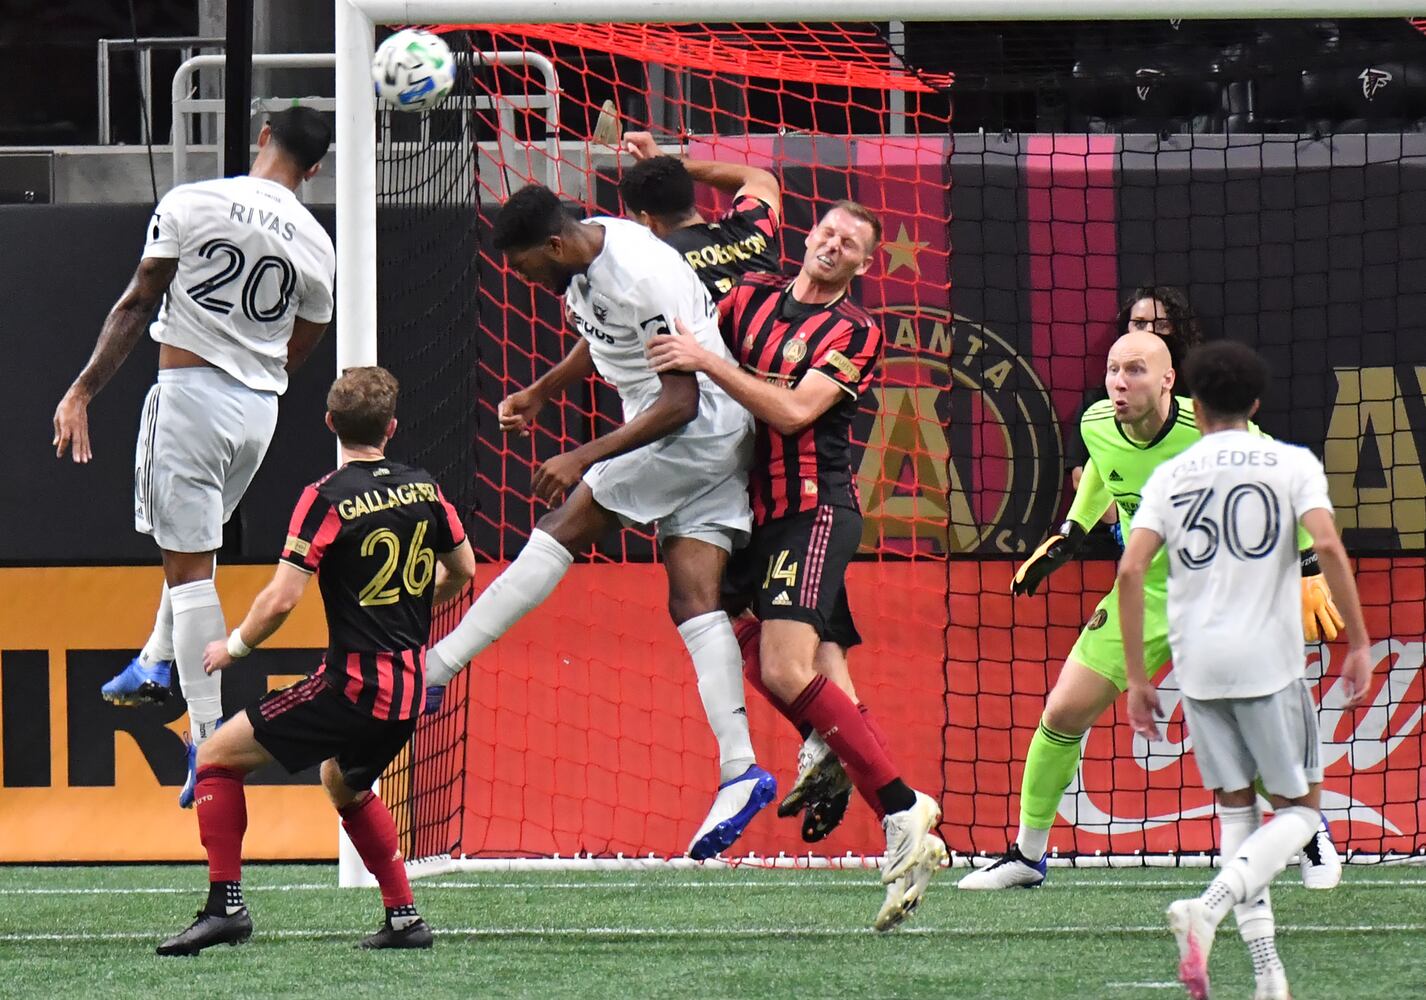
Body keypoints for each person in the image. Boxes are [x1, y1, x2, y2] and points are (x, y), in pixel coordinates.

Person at [421, 184, 776, 859]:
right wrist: (543, 390)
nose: (525, 281)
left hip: (690, 432)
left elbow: (678, 401)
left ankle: (436, 671)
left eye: (527, 268)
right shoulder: (590, 247)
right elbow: (604, 338)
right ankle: (741, 769)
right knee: (693, 600)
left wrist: (584, 455)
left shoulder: (640, 275)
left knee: (565, 521)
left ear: (554, 245)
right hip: (707, 434)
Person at [647, 200, 945, 932]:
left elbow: (790, 413)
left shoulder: (857, 330)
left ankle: (904, 809)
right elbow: (676, 315)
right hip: (750, 513)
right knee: (781, 655)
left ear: (865, 264)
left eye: (851, 243)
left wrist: (708, 362)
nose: (834, 245)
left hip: (812, 510)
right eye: (828, 232)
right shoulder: (746, 299)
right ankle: (838, 752)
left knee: (785, 670)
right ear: (809, 237)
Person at [958, 330, 1346, 891]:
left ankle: (1311, 833)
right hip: (1146, 594)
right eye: (1114, 370)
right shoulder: (1095, 422)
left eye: (1136, 370)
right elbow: (1102, 468)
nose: (1120, 381)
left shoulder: (1211, 426)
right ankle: (1027, 856)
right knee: (1063, 712)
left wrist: (1308, 570)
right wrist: (1073, 529)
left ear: (1169, 380)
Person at [52, 107, 337, 806]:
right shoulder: (318, 243)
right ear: (317, 169)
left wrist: (82, 390)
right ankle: (153, 661)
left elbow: (137, 300)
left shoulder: (194, 200)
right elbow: (303, 344)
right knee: (194, 547)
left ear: (262, 136)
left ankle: (207, 745)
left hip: (190, 392)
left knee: (187, 572)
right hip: (259, 412)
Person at [155, 366, 475, 956]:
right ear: (392, 428)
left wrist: (235, 648)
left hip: (354, 686)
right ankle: (405, 919)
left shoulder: (326, 496)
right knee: (344, 782)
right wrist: (411, 602)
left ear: (329, 423)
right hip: (407, 689)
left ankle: (225, 907)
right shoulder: (426, 489)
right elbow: (463, 571)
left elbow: (281, 598)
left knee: (216, 758)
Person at [1119, 341, 1372, 1000]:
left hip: (1198, 665)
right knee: (1301, 813)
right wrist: (1359, 641)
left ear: (1193, 406)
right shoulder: (1291, 463)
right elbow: (1327, 546)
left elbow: (1129, 568)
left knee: (1238, 817)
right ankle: (1211, 904)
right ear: (1256, 403)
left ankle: (1268, 976)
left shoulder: (1170, 475)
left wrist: (1138, 678)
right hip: (1269, 662)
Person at [1065, 287, 1206, 547]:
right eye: (1140, 324)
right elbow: (1087, 475)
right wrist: (1125, 527)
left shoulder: (1202, 402)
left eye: (1162, 324)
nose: (1150, 331)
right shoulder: (1099, 407)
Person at [618, 130, 781, 301]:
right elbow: (760, 178)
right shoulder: (752, 225)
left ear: (647, 220)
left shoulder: (659, 265)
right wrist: (672, 164)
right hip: (787, 325)